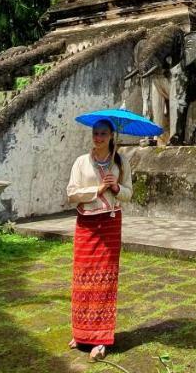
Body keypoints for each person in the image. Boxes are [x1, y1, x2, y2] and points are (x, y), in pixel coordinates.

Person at [66, 119, 133, 361]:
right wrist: (96, 190)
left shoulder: (121, 162)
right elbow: (72, 193)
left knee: (105, 280)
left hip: (110, 225)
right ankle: (81, 334)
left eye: (103, 133)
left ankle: (101, 338)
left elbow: (129, 193)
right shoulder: (81, 162)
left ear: (111, 136)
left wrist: (115, 187)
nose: (98, 137)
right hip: (86, 224)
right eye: (95, 133)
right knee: (83, 277)